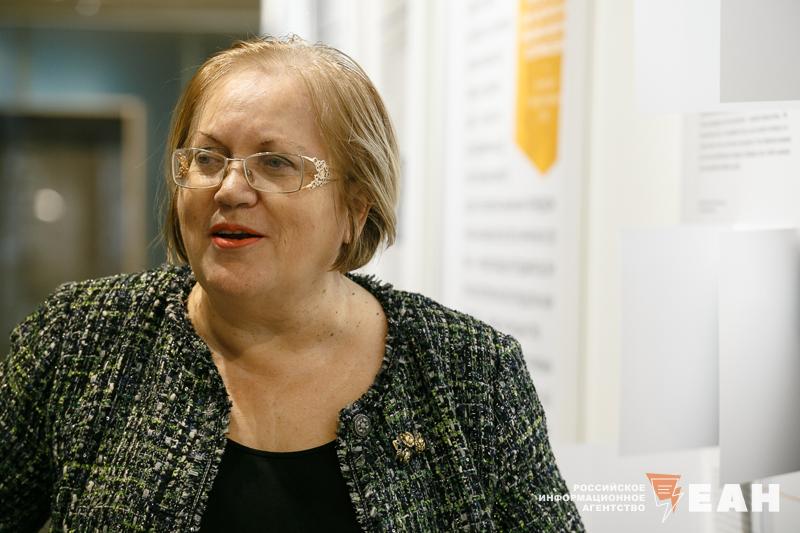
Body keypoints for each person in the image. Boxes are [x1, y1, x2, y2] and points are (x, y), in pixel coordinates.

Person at [0, 35, 584, 532]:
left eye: (275, 163)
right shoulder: (81, 338)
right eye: (208, 158)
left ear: (354, 208)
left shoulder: (470, 371)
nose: (230, 189)